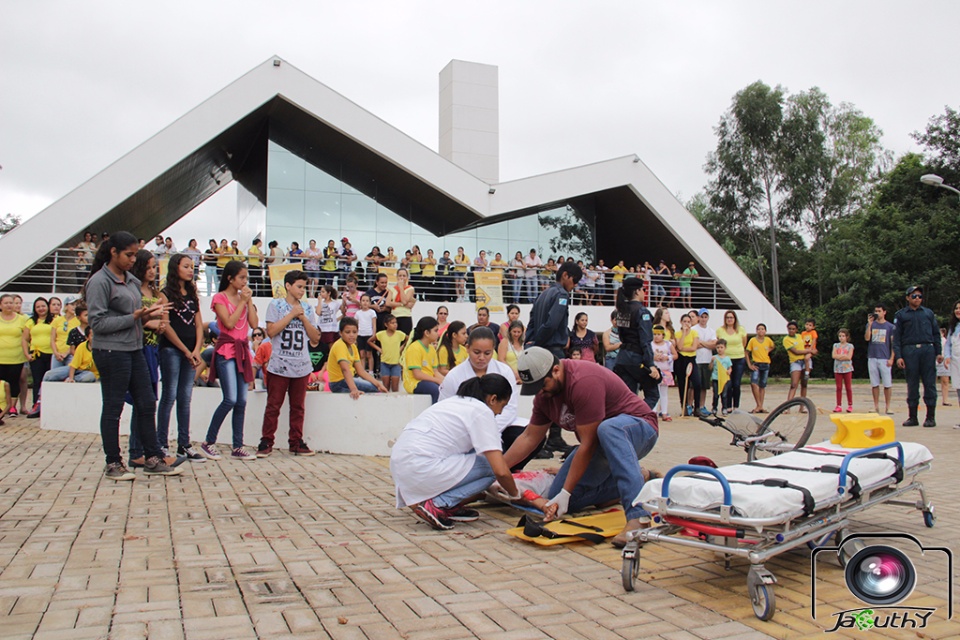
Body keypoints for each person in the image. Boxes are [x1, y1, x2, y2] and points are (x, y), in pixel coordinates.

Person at [504, 347, 659, 548]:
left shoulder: (583, 381)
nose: (540, 392)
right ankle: (641, 477)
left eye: (541, 385)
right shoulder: (545, 396)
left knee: (608, 428)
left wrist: (567, 491)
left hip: (639, 430)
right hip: (600, 445)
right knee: (560, 498)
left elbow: (588, 444)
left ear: (556, 371)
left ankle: (638, 517)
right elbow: (528, 437)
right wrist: (497, 468)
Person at [84, 231, 180, 479]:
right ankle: (113, 463)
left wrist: (149, 314)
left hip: (134, 348)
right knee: (113, 406)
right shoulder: (99, 281)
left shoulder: (131, 281)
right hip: (110, 350)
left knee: (147, 403)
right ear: (113, 252)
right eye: (128, 255)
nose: (132, 260)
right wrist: (135, 317)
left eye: (135, 255)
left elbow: (135, 317)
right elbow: (98, 323)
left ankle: (152, 458)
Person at [391, 375, 520, 530]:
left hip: (402, 466)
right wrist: (516, 495)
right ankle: (439, 504)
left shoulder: (453, 402)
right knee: (490, 466)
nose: (500, 413)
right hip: (421, 466)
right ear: (493, 399)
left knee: (478, 456)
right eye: (503, 406)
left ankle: (444, 505)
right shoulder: (481, 411)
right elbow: (501, 471)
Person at [257, 270, 321, 457]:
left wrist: (302, 318)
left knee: (298, 407)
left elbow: (315, 336)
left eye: (304, 287)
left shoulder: (307, 309)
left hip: (301, 365)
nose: (302, 291)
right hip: (280, 363)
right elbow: (271, 331)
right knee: (273, 405)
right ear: (288, 286)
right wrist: (292, 314)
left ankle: (296, 442)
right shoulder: (276, 305)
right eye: (299, 287)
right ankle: (266, 441)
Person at [200, 260, 259, 460]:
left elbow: (254, 324)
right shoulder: (219, 298)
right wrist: (243, 302)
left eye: (246, 278)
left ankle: (238, 446)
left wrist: (248, 301)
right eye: (241, 277)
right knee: (230, 398)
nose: (244, 282)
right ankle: (208, 441)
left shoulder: (244, 298)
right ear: (230, 278)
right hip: (226, 351)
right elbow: (228, 322)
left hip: (242, 351)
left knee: (242, 400)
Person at [526, 261, 583, 457]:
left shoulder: (542, 294)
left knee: (544, 393)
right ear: (565, 275)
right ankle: (548, 440)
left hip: (540, 349)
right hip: (552, 351)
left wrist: (530, 343)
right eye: (574, 281)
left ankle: (552, 438)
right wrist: (539, 344)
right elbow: (552, 323)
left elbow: (532, 321)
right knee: (559, 394)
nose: (574, 285)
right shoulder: (561, 295)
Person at [893, 285, 942, 427]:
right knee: (912, 384)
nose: (917, 299)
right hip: (910, 350)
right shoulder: (901, 315)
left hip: (927, 349)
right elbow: (896, 338)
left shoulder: (928, 313)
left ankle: (930, 417)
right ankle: (913, 416)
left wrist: (938, 352)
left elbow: (936, 334)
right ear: (908, 298)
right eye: (914, 296)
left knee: (930, 384)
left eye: (920, 296)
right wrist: (899, 356)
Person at [612, 277, 660, 407]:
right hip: (637, 358)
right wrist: (650, 364)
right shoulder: (642, 311)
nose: (644, 292)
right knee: (653, 394)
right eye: (643, 290)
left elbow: (621, 335)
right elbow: (645, 340)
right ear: (638, 291)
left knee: (629, 397)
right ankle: (638, 415)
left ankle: (627, 419)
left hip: (623, 357)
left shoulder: (622, 310)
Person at [328, 317, 388, 398]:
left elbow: (361, 371)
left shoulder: (353, 346)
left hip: (348, 380)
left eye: (354, 332)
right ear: (341, 333)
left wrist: (378, 384)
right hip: (338, 382)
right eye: (347, 332)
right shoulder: (340, 345)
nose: (351, 335)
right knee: (373, 389)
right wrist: (353, 389)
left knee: (376, 387)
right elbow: (345, 369)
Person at [402, 316, 444, 403]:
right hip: (415, 383)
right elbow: (417, 374)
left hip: (429, 380)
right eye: (435, 330)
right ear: (427, 333)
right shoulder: (415, 348)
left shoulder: (432, 349)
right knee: (435, 390)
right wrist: (437, 380)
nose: (438, 333)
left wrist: (445, 380)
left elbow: (435, 371)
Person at [0, 294, 29, 419]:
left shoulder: (22, 319)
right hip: (1, 357)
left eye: (11, 302)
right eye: (6, 303)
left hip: (16, 357)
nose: (9, 305)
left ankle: (12, 407)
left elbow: (27, 337)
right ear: (0, 305)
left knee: (14, 381)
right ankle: (1, 407)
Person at [715, 310, 747, 411]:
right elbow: (718, 343)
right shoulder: (720, 330)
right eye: (727, 317)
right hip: (725, 359)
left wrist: (737, 351)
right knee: (727, 383)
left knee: (736, 384)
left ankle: (736, 406)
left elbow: (744, 343)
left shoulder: (741, 329)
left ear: (735, 319)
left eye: (731, 317)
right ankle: (727, 405)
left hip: (739, 358)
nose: (729, 319)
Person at [369, 314, 406, 392]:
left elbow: (408, 339)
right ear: (386, 324)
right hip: (384, 363)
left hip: (396, 363)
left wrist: (402, 347)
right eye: (392, 323)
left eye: (395, 322)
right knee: (385, 387)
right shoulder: (381, 334)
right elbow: (370, 341)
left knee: (395, 387)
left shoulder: (399, 334)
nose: (395, 325)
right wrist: (379, 349)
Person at [674, 313, 700, 417]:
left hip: (691, 359)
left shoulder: (694, 333)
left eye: (688, 322)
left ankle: (697, 407)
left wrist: (684, 348)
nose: (687, 324)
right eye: (685, 321)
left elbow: (694, 347)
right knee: (682, 384)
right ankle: (683, 406)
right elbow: (679, 347)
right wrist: (684, 333)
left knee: (697, 382)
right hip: (681, 360)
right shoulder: (678, 333)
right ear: (681, 322)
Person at [745, 323, 775, 414]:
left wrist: (767, 351)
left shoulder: (768, 340)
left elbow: (773, 346)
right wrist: (749, 364)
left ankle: (760, 406)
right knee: (754, 383)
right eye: (759, 329)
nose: (760, 331)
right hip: (756, 364)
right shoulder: (753, 340)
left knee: (762, 385)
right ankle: (758, 404)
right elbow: (747, 352)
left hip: (765, 364)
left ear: (765, 331)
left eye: (762, 329)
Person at [694, 309, 717, 415]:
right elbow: (695, 345)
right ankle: (693, 404)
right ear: (698, 317)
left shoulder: (711, 331)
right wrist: (707, 343)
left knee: (704, 385)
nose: (703, 319)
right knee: (695, 385)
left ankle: (702, 405)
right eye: (702, 317)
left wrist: (702, 342)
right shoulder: (694, 329)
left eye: (705, 317)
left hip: (707, 360)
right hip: (696, 359)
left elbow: (714, 345)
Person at [783, 320, 812, 403]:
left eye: (793, 329)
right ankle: (787, 405)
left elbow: (809, 344)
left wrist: (811, 351)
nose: (791, 331)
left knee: (804, 384)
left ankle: (802, 406)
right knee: (794, 384)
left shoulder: (800, 336)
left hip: (805, 360)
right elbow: (795, 351)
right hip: (795, 361)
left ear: (796, 330)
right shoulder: (786, 339)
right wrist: (809, 351)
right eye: (790, 329)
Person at [651, 325, 676, 421]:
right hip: (655, 370)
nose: (656, 336)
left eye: (658, 334)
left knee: (664, 392)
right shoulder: (650, 344)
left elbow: (675, 355)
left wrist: (668, 357)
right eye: (654, 334)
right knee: (654, 391)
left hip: (665, 371)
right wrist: (653, 358)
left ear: (663, 335)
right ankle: (654, 411)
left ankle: (664, 412)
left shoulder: (668, 344)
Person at [943, 300, 960, 425]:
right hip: (955, 361)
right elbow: (948, 344)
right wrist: (947, 357)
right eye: (956, 308)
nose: (958, 310)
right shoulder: (953, 327)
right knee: (959, 389)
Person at [387, 267, 416, 336]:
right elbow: (388, 303)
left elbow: (404, 300)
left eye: (404, 276)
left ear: (407, 277)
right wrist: (401, 304)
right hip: (394, 316)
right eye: (400, 276)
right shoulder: (392, 289)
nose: (402, 277)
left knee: (405, 337)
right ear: (397, 277)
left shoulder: (410, 289)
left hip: (405, 316)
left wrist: (401, 288)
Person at [355, 294, 378, 375]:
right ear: (360, 302)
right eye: (363, 301)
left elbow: (374, 325)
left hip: (369, 335)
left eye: (367, 301)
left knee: (369, 354)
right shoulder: (358, 313)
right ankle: (362, 371)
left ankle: (371, 372)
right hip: (360, 335)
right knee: (362, 354)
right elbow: (356, 326)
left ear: (370, 302)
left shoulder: (372, 312)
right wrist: (356, 336)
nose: (365, 303)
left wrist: (374, 336)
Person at [832, 329, 855, 413]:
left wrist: (839, 356)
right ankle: (838, 405)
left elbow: (849, 357)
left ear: (847, 337)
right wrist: (842, 356)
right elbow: (834, 355)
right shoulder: (836, 345)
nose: (841, 338)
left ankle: (850, 404)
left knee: (848, 387)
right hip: (838, 369)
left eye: (843, 336)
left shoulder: (850, 346)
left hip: (847, 369)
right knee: (838, 387)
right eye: (840, 336)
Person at [710, 339, 733, 415]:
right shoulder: (714, 357)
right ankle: (714, 408)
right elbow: (710, 368)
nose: (719, 349)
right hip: (716, 378)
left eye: (721, 347)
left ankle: (724, 408)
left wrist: (729, 371)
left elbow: (730, 367)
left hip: (724, 379)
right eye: (718, 347)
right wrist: (712, 362)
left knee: (724, 394)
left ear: (725, 348)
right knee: (716, 394)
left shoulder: (727, 358)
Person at [938, 328, 952, 406]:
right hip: (935, 361)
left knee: (945, 381)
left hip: (944, 361)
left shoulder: (945, 341)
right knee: (931, 381)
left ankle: (945, 400)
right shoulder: (933, 341)